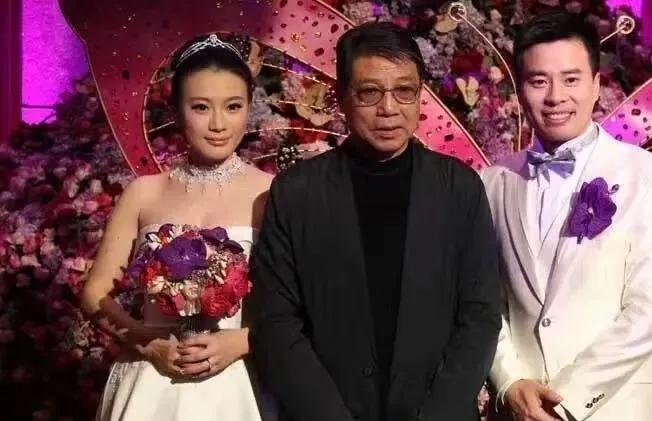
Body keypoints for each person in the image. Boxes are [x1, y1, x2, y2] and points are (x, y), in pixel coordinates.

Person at [248, 21, 501, 421]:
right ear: (342, 98)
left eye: (404, 91)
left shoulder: (459, 188)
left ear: (420, 96)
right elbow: (275, 322)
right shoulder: (297, 192)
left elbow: (481, 314)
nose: (389, 109)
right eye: (369, 92)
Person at [481, 12, 652, 421]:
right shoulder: (491, 182)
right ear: (520, 90)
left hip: (618, 409)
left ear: (596, 85)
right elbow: (483, 302)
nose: (555, 96)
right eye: (539, 81)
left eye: (571, 79)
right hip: (520, 410)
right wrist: (509, 382)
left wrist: (567, 401)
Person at [80, 34, 275, 421]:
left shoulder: (271, 194)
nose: (218, 124)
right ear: (176, 110)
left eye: (233, 106)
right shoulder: (144, 193)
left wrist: (243, 341)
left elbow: (303, 302)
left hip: (237, 381)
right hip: (150, 379)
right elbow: (94, 293)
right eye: (200, 107)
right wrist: (148, 343)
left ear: (249, 108)